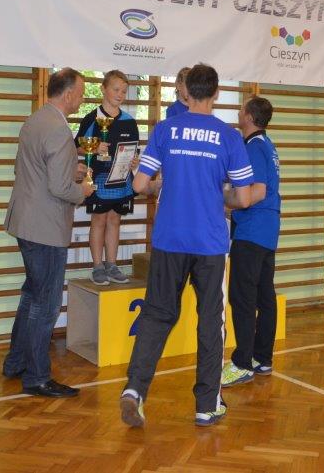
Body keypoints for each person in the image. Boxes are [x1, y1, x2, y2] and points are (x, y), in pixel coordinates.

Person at [120, 64, 253, 428]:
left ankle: (134, 389)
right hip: (209, 242)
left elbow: (139, 185)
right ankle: (206, 405)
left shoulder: (165, 130)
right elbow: (243, 197)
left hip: (169, 238)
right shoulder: (228, 137)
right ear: (216, 94)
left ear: (185, 92)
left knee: (156, 314)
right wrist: (215, 194)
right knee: (211, 321)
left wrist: (162, 184)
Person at [2, 68, 94, 398]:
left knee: (32, 295)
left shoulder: (35, 120)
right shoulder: (58, 129)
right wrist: (82, 189)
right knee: (46, 303)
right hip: (45, 227)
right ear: (68, 94)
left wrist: (71, 169)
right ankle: (37, 377)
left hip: (25, 221)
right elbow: (59, 188)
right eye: (80, 94)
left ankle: (16, 362)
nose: (81, 99)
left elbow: (30, 168)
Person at [221, 97, 281, 387]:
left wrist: (225, 200)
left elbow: (256, 192)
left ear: (248, 116)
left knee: (243, 297)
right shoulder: (266, 144)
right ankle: (262, 358)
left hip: (252, 231)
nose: (238, 111)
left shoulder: (254, 147)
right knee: (264, 296)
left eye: (241, 108)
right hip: (266, 230)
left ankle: (242, 363)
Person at [75, 69, 139, 286]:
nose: (120, 94)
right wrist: (93, 149)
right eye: (115, 89)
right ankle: (97, 266)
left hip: (121, 179)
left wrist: (134, 162)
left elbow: (133, 150)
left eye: (123, 91)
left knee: (115, 220)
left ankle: (112, 264)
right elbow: (77, 146)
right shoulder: (91, 118)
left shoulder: (129, 121)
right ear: (103, 89)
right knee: (99, 220)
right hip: (99, 178)